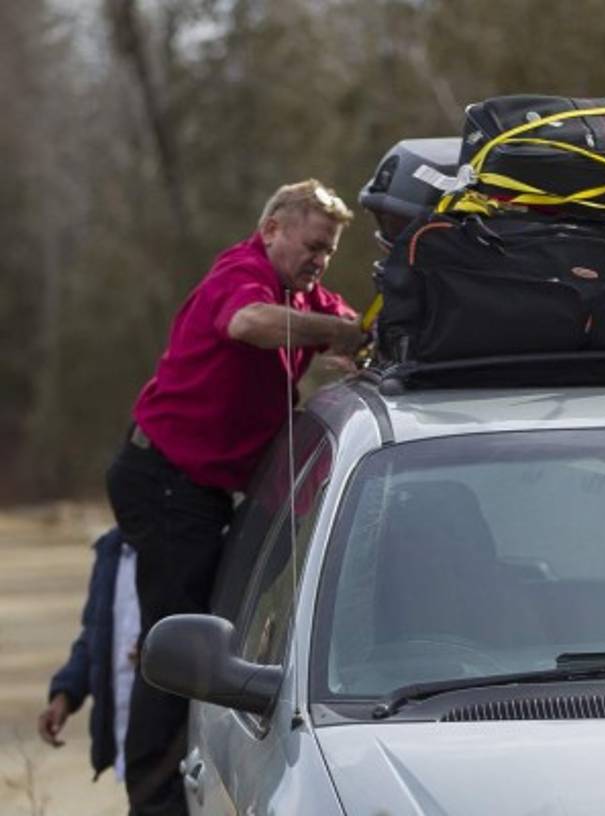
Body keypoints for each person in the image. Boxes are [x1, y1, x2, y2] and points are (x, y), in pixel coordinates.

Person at [105, 179, 364, 814]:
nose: (319, 262)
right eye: (311, 246)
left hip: (203, 491)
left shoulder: (303, 294)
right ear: (272, 230)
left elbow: (353, 326)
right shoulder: (241, 273)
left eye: (328, 252)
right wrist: (331, 332)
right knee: (182, 650)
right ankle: (156, 799)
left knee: (210, 628)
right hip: (163, 480)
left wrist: (355, 339)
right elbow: (250, 325)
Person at [38, 527, 140, 783]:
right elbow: (94, 636)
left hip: (169, 744)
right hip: (124, 742)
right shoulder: (111, 552)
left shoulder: (184, 547)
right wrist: (64, 695)